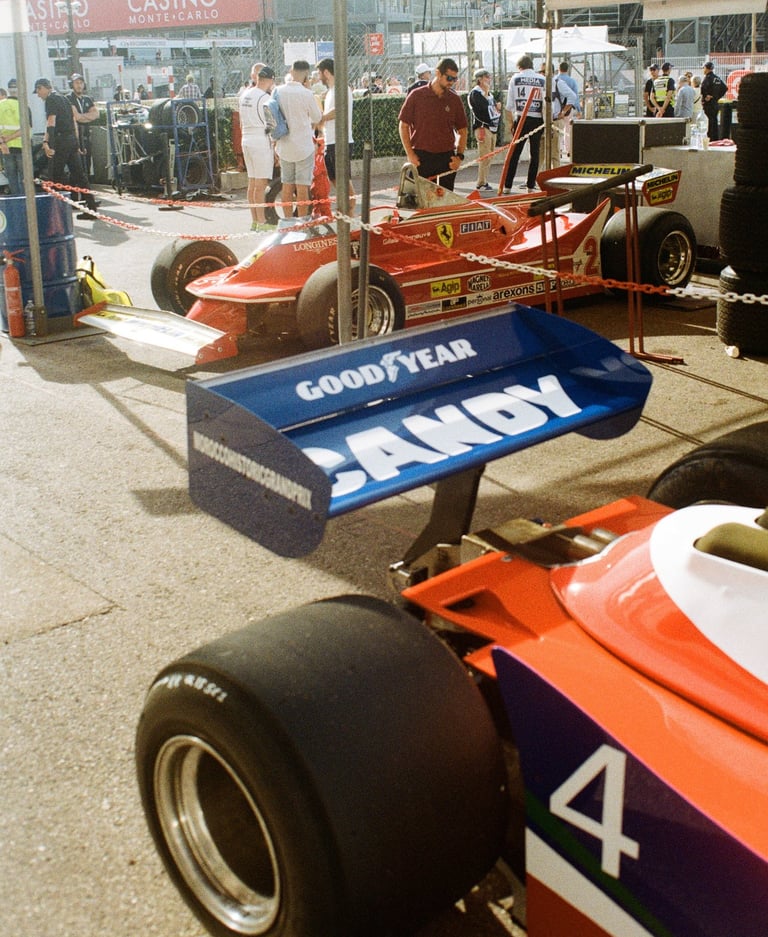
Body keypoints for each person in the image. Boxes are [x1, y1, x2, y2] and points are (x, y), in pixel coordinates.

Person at [398, 57, 467, 192]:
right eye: (449, 78)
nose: (451, 83)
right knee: (418, 203)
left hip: (446, 158)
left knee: (444, 203)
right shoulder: (417, 95)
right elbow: (403, 125)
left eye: (454, 79)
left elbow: (463, 130)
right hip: (421, 158)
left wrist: (459, 156)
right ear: (438, 73)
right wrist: (410, 154)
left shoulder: (454, 100)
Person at [33, 77, 97, 219]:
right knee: (80, 175)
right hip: (71, 140)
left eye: (38, 91)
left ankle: (57, 214)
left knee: (55, 176)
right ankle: (92, 208)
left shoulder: (51, 100)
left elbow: (51, 122)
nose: (38, 95)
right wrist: (77, 143)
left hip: (60, 141)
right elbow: (74, 122)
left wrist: (47, 143)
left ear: (43, 88)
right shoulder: (65, 99)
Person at [274, 60, 323, 218]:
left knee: (286, 184)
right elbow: (317, 117)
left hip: (284, 144)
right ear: (306, 75)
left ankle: (287, 221)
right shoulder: (307, 93)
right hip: (303, 146)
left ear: (291, 70)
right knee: (302, 186)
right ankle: (302, 221)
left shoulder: (277, 91)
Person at [239, 64, 277, 232]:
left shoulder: (244, 94)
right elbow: (271, 124)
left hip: (246, 138)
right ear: (270, 80)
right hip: (260, 140)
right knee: (260, 184)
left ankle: (255, 220)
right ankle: (261, 222)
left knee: (252, 182)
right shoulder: (264, 98)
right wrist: (274, 143)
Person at [316, 58, 356, 213]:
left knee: (343, 179)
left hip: (342, 141)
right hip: (330, 140)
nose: (318, 77)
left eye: (320, 73)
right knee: (333, 177)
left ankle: (350, 212)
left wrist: (322, 118)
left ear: (326, 72)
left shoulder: (341, 88)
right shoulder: (330, 91)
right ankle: (345, 208)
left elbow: (340, 110)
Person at [502, 54, 545, 193]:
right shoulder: (542, 79)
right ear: (532, 65)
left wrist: (510, 124)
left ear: (519, 67)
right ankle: (530, 185)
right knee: (535, 153)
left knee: (515, 153)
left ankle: (507, 185)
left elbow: (509, 106)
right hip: (538, 117)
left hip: (521, 117)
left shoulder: (515, 78)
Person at [468, 68, 500, 191]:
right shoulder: (476, 93)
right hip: (482, 127)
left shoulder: (489, 93)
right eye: (486, 77)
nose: (489, 79)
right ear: (480, 79)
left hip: (492, 127)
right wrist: (487, 96)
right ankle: (481, 182)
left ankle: (485, 180)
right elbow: (482, 109)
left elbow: (494, 108)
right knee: (484, 155)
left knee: (490, 155)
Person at [66, 73, 98, 179]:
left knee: (87, 164)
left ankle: (86, 187)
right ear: (72, 85)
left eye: (81, 83)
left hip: (86, 135)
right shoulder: (69, 98)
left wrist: (82, 116)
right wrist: (86, 116)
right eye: (76, 83)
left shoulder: (87, 99)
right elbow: (76, 117)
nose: (79, 85)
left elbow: (95, 114)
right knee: (76, 167)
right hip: (74, 136)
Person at [0, 78, 25, 194]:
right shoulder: (23, 106)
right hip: (22, 148)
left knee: (12, 179)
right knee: (25, 179)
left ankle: (16, 205)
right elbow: (26, 129)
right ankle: (26, 205)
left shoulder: (1, 105)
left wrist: (3, 142)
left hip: (6, 149)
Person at [551, 67, 579, 165]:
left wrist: (562, 112)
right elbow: (575, 95)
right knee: (567, 131)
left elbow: (573, 96)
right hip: (562, 114)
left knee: (555, 147)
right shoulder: (571, 81)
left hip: (556, 117)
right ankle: (568, 150)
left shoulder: (557, 81)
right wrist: (577, 109)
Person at [701, 61, 727, 142]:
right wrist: (716, 97)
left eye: (704, 68)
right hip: (715, 103)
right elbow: (725, 88)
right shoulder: (717, 78)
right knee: (714, 120)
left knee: (709, 121)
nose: (703, 70)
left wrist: (706, 97)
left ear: (707, 68)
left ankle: (710, 138)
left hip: (708, 104)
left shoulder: (708, 78)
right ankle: (715, 138)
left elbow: (703, 89)